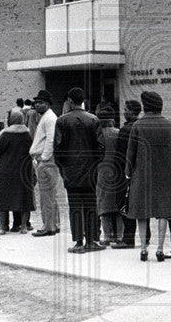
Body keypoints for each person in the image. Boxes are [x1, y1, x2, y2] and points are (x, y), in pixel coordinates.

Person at [126, 90, 171, 261]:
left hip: (142, 176)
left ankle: (143, 249)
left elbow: (131, 154)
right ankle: (159, 249)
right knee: (163, 212)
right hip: (164, 176)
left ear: (145, 106)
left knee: (142, 213)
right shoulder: (169, 125)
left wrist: (128, 173)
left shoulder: (138, 126)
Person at [54, 87, 104, 253]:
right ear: (83, 101)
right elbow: (101, 147)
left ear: (69, 100)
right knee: (91, 205)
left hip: (71, 171)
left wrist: (62, 167)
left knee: (75, 206)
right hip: (91, 170)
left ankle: (78, 242)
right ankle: (92, 240)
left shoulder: (62, 121)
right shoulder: (94, 119)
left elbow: (58, 148)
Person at [0, 109, 35, 234]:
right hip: (23, 170)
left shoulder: (6, 134)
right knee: (24, 198)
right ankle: (23, 226)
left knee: (2, 199)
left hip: (6, 169)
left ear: (12, 120)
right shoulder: (27, 134)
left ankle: (3, 227)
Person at [28, 90, 61, 237]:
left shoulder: (49, 118)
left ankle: (48, 227)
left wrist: (45, 157)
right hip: (45, 160)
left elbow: (51, 139)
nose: (36, 105)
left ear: (47, 104)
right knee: (50, 195)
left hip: (46, 161)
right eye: (36, 102)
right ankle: (54, 224)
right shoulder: (48, 117)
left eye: (40, 102)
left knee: (46, 196)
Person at [113, 99, 144, 249]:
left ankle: (128, 238)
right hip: (140, 171)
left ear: (131, 112)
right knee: (142, 207)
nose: (123, 112)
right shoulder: (141, 127)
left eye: (125, 109)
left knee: (127, 205)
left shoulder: (125, 130)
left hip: (126, 172)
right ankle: (146, 237)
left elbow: (120, 154)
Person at [95, 102, 124, 245]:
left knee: (104, 207)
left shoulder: (97, 135)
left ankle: (107, 236)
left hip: (102, 172)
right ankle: (119, 236)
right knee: (118, 207)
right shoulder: (118, 133)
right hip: (118, 172)